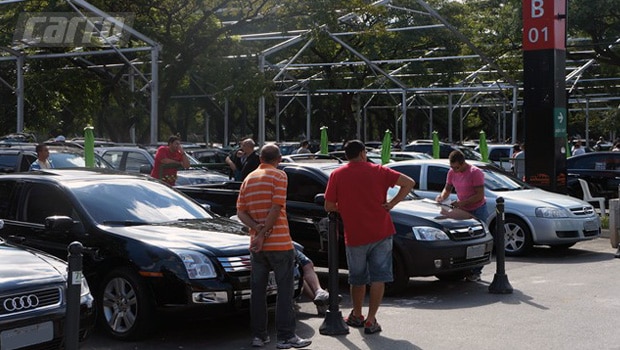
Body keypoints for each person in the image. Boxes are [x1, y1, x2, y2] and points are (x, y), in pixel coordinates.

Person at [324, 140, 415, 335]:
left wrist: (347, 207)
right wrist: (391, 204)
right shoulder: (379, 170)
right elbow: (409, 183)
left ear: (346, 155)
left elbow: (329, 205)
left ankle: (357, 314)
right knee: (379, 277)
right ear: (364, 153)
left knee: (357, 278)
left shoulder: (337, 174)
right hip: (381, 231)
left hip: (355, 234)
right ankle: (371, 319)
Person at [236, 144, 311, 349]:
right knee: (285, 292)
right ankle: (286, 336)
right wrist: (264, 233)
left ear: (260, 158)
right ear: (278, 159)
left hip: (257, 247)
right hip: (279, 242)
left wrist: (256, 230)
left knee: (258, 292)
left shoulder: (248, 179)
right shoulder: (279, 177)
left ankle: (259, 336)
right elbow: (277, 207)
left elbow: (241, 212)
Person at [435, 150, 489, 282]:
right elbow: (447, 188)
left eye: (457, 167)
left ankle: (476, 271)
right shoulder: (452, 172)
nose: (454, 170)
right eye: (452, 167)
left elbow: (479, 195)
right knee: (462, 239)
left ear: (463, 163)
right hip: (462, 210)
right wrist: (442, 198)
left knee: (477, 241)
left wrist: (460, 203)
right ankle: (464, 268)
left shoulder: (475, 172)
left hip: (477, 209)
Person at [294, 248, 335, 316]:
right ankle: (319, 301)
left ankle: (319, 292)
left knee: (307, 263)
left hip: (287, 244)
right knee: (297, 274)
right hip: (275, 247)